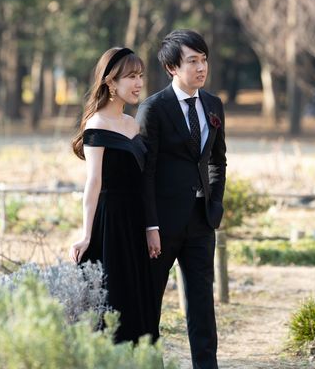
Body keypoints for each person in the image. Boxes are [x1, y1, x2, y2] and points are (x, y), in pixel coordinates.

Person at [136, 29, 227, 369]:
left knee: (202, 305)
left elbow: (218, 160)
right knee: (150, 305)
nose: (201, 68)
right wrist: (150, 225)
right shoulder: (154, 108)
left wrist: (214, 205)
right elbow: (145, 173)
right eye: (192, 61)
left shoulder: (213, 105)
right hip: (161, 226)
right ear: (172, 67)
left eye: (204, 60)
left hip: (202, 221)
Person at [69, 47, 158, 344]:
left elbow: (144, 179)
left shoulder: (133, 124)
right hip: (111, 224)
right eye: (131, 76)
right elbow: (93, 182)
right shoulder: (96, 124)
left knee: (138, 297)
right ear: (110, 82)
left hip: (135, 221)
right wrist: (86, 235)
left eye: (140, 76)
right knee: (115, 297)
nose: (138, 83)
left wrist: (150, 226)